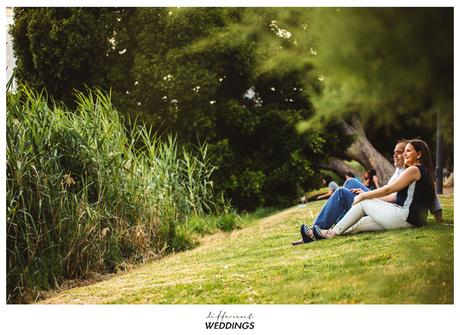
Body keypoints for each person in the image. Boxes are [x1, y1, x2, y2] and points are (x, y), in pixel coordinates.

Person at [292, 139, 443, 245]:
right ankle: (319, 234)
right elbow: (428, 197)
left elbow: (389, 189)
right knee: (355, 225)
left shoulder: (414, 170)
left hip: (404, 217)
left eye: (407, 151)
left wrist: (364, 194)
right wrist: (439, 220)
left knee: (363, 202)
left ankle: (330, 233)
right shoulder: (420, 171)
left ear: (419, 154)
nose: (404, 154)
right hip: (403, 218)